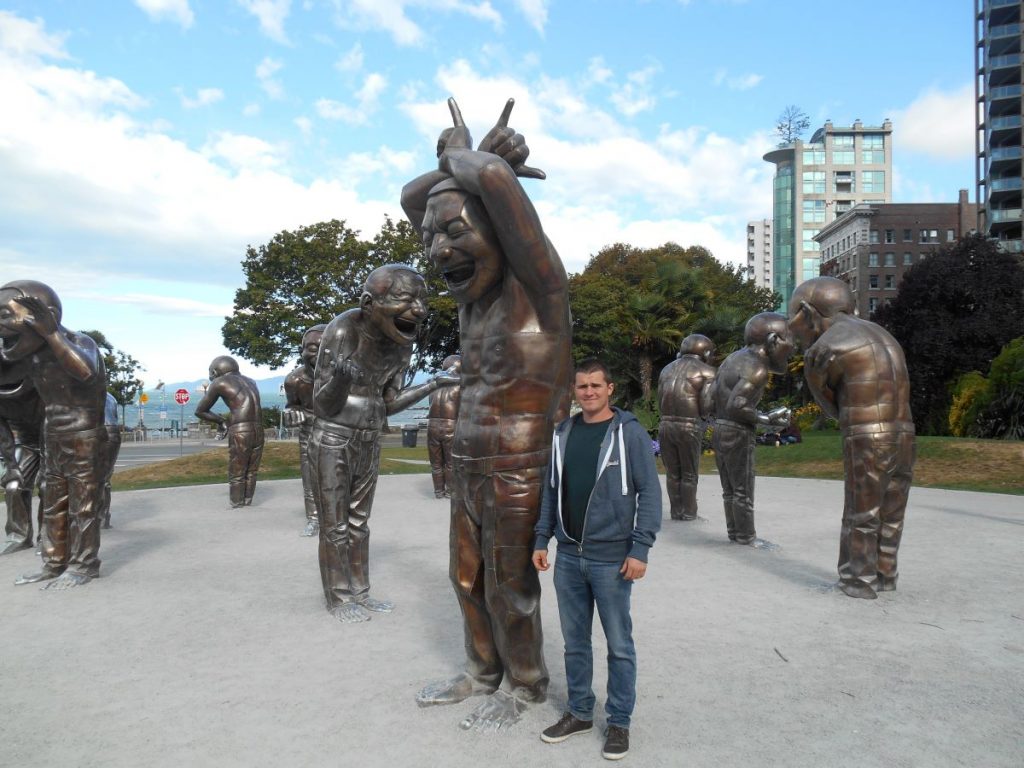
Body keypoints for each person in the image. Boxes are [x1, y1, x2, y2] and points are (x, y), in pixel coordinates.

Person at [403, 98, 572, 731]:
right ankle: (482, 670)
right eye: (431, 240)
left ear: (502, 231)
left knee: (510, 585)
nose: (439, 249)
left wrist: (472, 158)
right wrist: (460, 165)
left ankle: (526, 685)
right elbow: (409, 197)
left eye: (455, 232)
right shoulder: (471, 307)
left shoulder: (539, 287)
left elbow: (495, 183)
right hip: (470, 458)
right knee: (465, 577)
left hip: (518, 461)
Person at [309, 264, 455, 624]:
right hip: (334, 437)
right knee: (336, 524)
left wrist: (434, 384)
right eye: (405, 300)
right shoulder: (344, 329)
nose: (418, 311)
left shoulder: (401, 345)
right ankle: (339, 598)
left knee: (360, 522)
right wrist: (342, 380)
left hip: (370, 436)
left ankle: (361, 591)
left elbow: (388, 403)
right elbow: (323, 405)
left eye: (421, 301)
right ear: (369, 303)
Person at [532, 359, 661, 761]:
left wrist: (640, 548)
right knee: (575, 643)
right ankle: (580, 712)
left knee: (619, 644)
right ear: (575, 391)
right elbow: (551, 490)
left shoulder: (629, 434)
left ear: (610, 389)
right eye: (581, 386)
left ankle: (619, 721)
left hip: (612, 559)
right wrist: (542, 538)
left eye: (595, 386)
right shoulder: (563, 433)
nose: (588, 392)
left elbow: (650, 494)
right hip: (569, 557)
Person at [788, 277, 915, 599]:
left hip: (867, 435)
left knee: (862, 512)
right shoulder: (884, 335)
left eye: (793, 317)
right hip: (905, 433)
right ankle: (886, 575)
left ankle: (857, 581)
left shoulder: (827, 346)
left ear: (806, 312)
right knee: (892, 513)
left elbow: (830, 405)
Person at [0, 280, 109, 589]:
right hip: (53, 436)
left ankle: (83, 565)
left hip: (84, 436)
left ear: (45, 315)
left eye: (6, 316)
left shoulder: (79, 342)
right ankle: (53, 563)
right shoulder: (29, 356)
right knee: (53, 503)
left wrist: (52, 334)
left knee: (84, 506)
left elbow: (86, 372)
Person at [706, 313, 793, 547]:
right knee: (742, 487)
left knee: (729, 489)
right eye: (790, 340)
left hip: (720, 429)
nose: (792, 348)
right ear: (774, 340)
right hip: (737, 432)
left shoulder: (733, 359)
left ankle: (735, 532)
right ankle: (746, 537)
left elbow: (709, 400)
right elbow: (738, 404)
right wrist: (767, 419)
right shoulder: (758, 368)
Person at [657, 334, 717, 521]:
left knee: (673, 473)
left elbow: (660, 400)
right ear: (705, 351)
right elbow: (706, 406)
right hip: (689, 425)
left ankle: (676, 511)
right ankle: (689, 513)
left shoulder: (666, 370)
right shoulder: (707, 372)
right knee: (689, 474)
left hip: (665, 424)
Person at [194, 355, 265, 508]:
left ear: (215, 371)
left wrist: (221, 422)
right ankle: (247, 501)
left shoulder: (220, 382)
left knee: (237, 469)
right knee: (252, 470)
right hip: (259, 429)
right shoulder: (251, 381)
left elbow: (200, 411)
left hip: (240, 430)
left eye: (211, 372)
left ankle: (237, 504)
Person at [283, 324, 327, 536]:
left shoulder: (346, 377)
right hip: (309, 434)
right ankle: (313, 519)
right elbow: (292, 405)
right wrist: (291, 412)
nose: (318, 353)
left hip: (340, 434)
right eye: (311, 348)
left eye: (326, 347)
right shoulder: (294, 380)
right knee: (310, 479)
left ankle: (340, 519)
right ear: (301, 351)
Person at [0, 370, 44, 555]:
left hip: (52, 442)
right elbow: (3, 435)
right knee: (13, 486)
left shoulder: (41, 388)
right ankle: (19, 536)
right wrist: (11, 466)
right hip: (25, 443)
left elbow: (51, 423)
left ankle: (50, 536)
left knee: (48, 486)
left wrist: (49, 463)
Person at [426, 354, 461, 499]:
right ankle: (449, 491)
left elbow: (430, 403)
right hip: (450, 425)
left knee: (436, 462)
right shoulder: (460, 384)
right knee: (450, 462)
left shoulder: (432, 383)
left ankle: (438, 491)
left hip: (432, 425)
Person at [97, 392, 122, 528]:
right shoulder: (111, 397)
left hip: (97, 432)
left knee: (93, 477)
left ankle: (97, 516)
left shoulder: (85, 391)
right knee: (105, 478)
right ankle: (103, 516)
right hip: (113, 433)